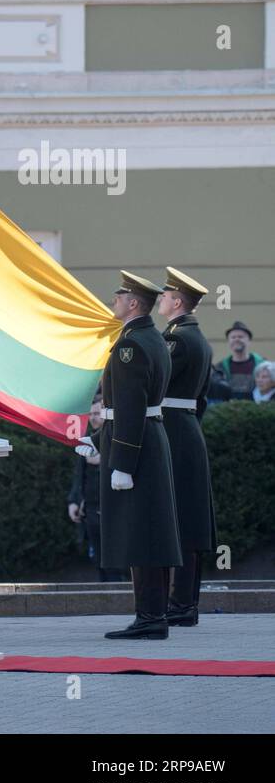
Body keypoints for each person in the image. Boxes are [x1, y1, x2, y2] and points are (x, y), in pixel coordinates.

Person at [81, 271, 181, 640]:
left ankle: (150, 617)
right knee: (150, 531)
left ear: (134, 303)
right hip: (148, 441)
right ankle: (152, 615)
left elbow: (130, 406)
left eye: (119, 296)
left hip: (136, 448)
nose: (114, 301)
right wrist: (99, 439)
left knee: (142, 533)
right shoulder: (149, 337)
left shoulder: (131, 346)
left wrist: (121, 462)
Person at [158, 269, 216, 627]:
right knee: (189, 519)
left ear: (177, 301)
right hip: (188, 429)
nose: (160, 300)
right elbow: (203, 399)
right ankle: (184, 605)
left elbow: (155, 383)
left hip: (173, 433)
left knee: (176, 520)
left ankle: (179, 605)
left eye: (164, 295)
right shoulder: (201, 339)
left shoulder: (177, 340)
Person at [66, 397, 123, 581]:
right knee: (98, 556)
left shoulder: (116, 438)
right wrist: (74, 501)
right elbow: (79, 474)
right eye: (90, 414)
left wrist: (103, 461)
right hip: (91, 508)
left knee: (115, 555)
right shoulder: (87, 440)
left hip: (112, 508)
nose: (93, 418)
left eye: (97, 413)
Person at [214, 321, 264, 401]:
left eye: (241, 337)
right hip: (227, 411)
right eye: (233, 337)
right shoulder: (219, 368)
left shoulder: (263, 365)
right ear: (228, 341)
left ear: (249, 340)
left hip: (257, 411)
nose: (236, 339)